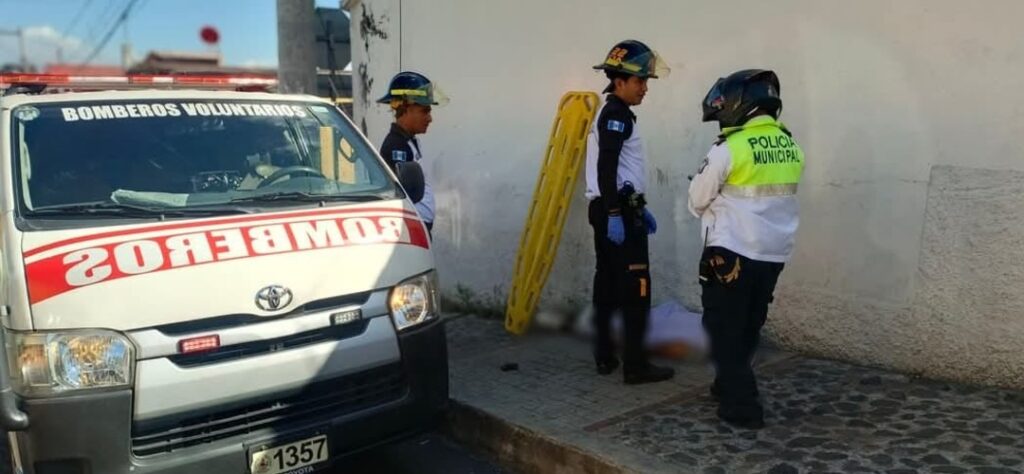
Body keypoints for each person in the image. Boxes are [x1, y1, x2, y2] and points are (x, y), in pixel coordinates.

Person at [688, 69, 805, 428]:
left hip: (732, 250)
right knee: (750, 323)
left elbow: (697, 199)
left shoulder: (729, 147)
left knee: (722, 327)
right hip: (773, 254)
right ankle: (726, 384)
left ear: (742, 104)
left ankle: (743, 405)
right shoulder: (790, 145)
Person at [585, 39, 675, 385]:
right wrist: (615, 213)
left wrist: (631, 207)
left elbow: (616, 170)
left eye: (646, 82)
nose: (645, 89)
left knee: (606, 284)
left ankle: (604, 355)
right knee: (637, 288)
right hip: (617, 210)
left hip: (618, 207)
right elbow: (607, 168)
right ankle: (636, 366)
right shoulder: (616, 116)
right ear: (619, 81)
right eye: (640, 82)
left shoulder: (613, 114)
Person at [377, 71, 447, 234]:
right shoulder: (396, 147)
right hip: (410, 229)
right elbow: (405, 195)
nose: (430, 118)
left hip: (418, 227)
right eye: (425, 111)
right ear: (406, 109)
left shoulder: (409, 141)